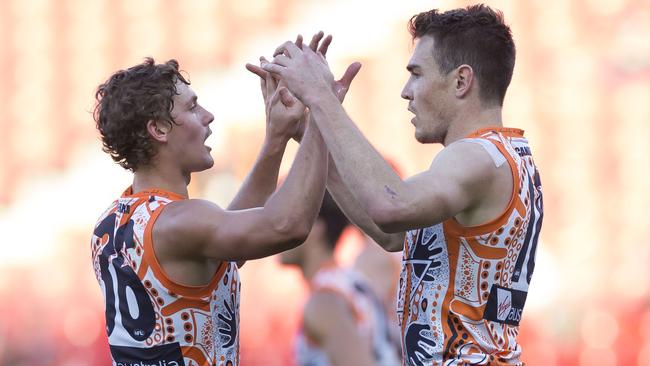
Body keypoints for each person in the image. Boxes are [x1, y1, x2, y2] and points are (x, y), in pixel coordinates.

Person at [263, 4, 544, 365]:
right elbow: (393, 234)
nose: (405, 91)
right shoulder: (500, 155)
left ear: (461, 81)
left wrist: (321, 99)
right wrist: (312, 131)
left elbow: (390, 207)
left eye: (416, 74)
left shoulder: (477, 156)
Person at [89, 56, 345, 365]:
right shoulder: (180, 221)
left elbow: (225, 240)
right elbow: (288, 225)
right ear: (158, 128)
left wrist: (276, 139)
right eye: (193, 107)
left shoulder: (112, 221)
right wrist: (320, 110)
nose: (208, 116)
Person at [279, 192, 401, 366]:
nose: (275, 226)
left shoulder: (325, 301)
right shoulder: (351, 281)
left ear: (316, 228)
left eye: (285, 218)